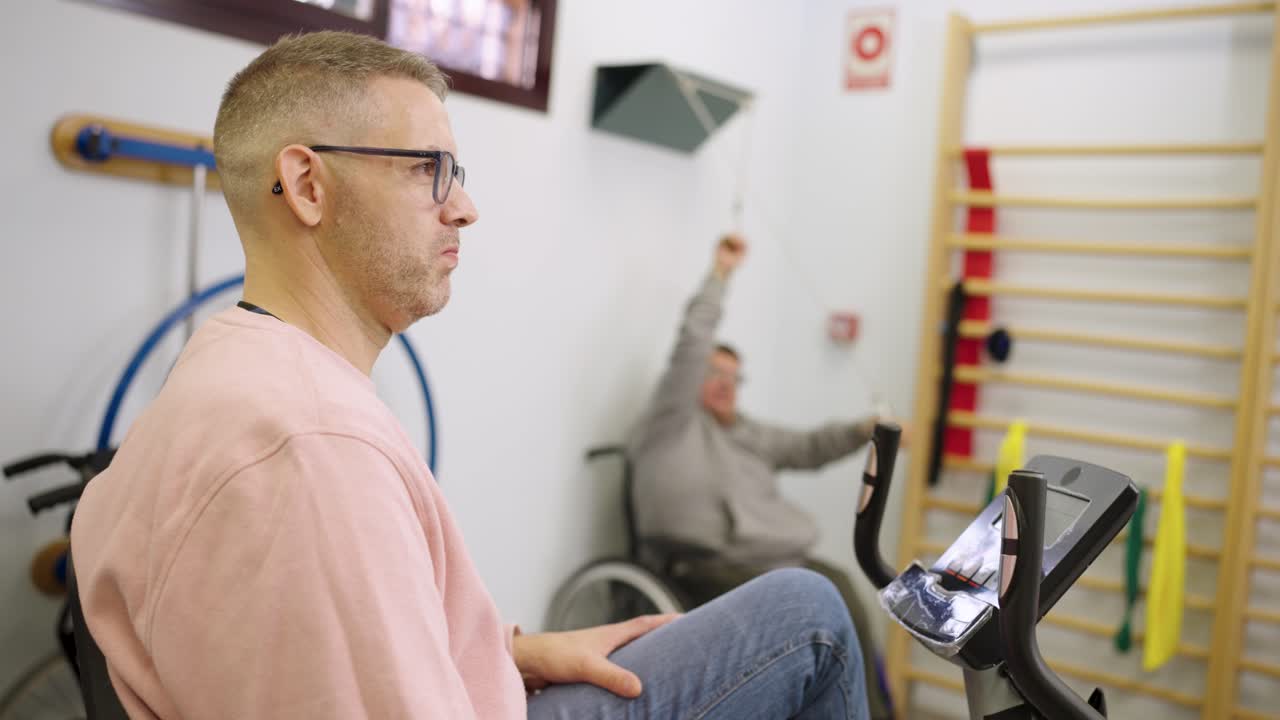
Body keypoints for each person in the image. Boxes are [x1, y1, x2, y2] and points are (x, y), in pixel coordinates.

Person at [69, 31, 872, 719]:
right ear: (309, 186)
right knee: (808, 617)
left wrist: (508, 652)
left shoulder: (227, 370)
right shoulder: (312, 447)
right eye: (429, 169)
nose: (464, 208)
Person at [628, 234, 897, 719]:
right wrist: (721, 273)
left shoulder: (745, 432)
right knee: (825, 607)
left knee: (846, 592)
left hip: (770, 558)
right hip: (704, 566)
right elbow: (693, 340)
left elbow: (809, 447)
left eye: (734, 377)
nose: (725, 384)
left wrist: (865, 430)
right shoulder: (674, 423)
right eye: (714, 373)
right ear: (693, 379)